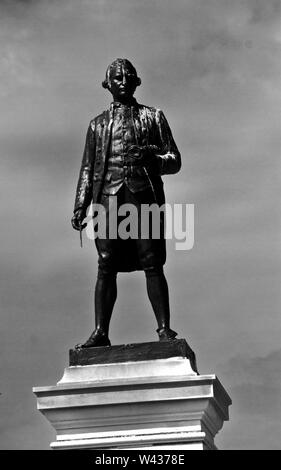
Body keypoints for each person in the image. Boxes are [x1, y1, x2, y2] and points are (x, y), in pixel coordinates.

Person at [71, 58, 181, 348]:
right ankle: (100, 332)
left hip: (143, 194)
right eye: (117, 77)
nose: (123, 80)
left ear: (136, 82)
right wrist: (80, 204)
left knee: (152, 262)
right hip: (108, 197)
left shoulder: (153, 117)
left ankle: (164, 329)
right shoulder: (97, 125)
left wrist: (151, 158)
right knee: (106, 263)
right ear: (107, 84)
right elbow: (87, 167)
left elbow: (174, 160)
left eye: (128, 76)